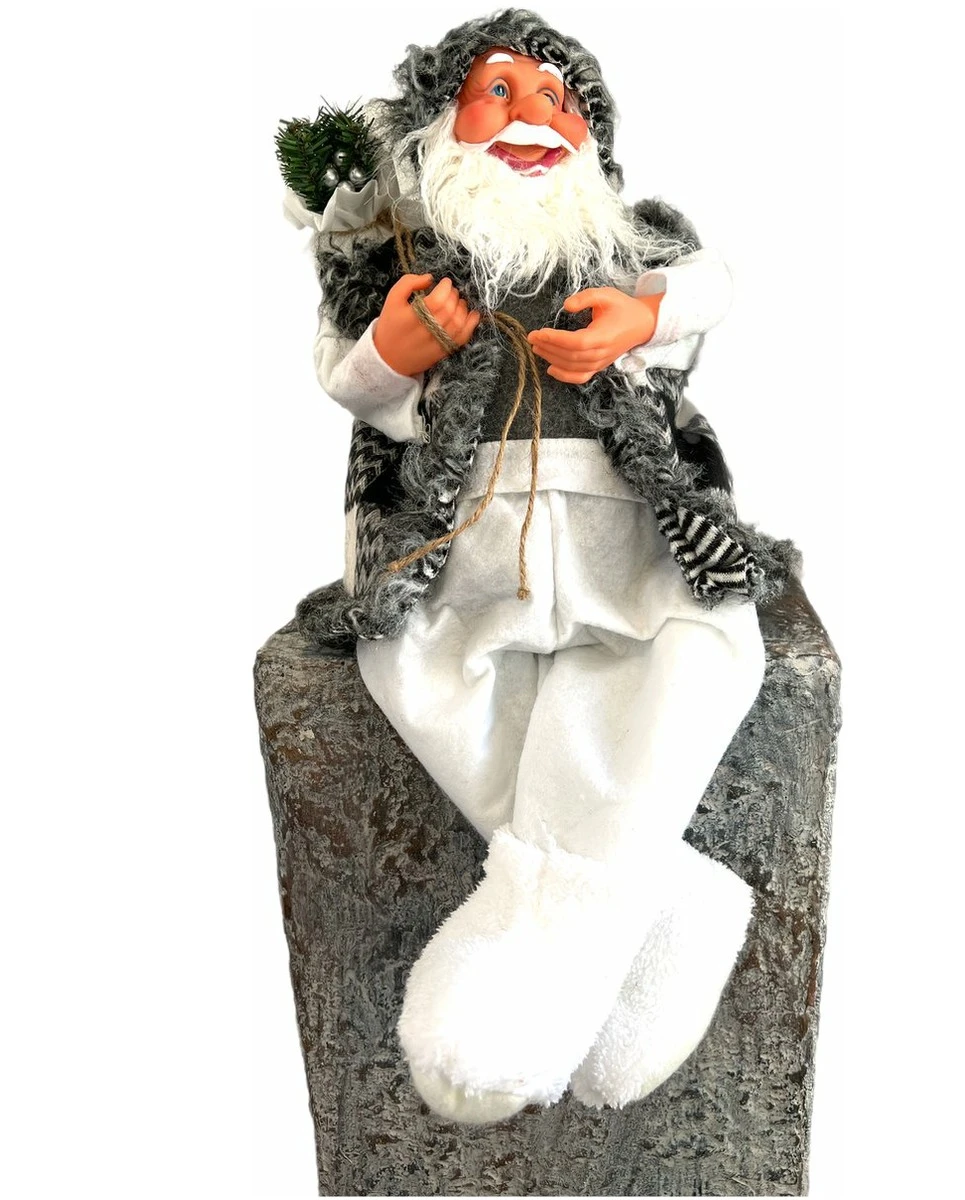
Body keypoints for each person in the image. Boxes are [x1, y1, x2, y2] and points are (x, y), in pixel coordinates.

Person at [290, 9, 798, 1123]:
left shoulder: (628, 239)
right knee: (417, 671)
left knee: (694, 653)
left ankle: (516, 992)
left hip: (625, 527)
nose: (534, 117)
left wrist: (640, 317)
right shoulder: (397, 256)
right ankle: (658, 899)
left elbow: (715, 283)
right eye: (500, 93)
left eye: (559, 100)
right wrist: (394, 351)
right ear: (435, 126)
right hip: (461, 539)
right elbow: (346, 375)